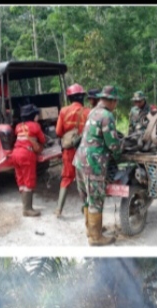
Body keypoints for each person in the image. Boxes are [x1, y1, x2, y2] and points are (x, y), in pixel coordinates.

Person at [73, 85, 122, 246]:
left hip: (80, 159)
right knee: (96, 198)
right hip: (93, 163)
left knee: (87, 197)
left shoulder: (93, 111)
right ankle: (95, 238)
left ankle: (91, 229)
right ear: (113, 101)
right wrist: (119, 154)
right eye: (116, 102)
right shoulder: (107, 115)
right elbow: (112, 143)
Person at [54, 83, 91, 217]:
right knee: (85, 179)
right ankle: (86, 208)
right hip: (84, 150)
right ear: (82, 97)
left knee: (66, 178)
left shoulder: (63, 111)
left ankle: (58, 209)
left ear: (69, 97)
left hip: (68, 150)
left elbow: (58, 132)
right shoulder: (88, 112)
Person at [12, 104, 46, 217]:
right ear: (34, 116)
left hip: (15, 153)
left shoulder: (18, 126)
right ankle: (27, 209)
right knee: (29, 180)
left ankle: (24, 205)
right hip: (26, 154)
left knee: (20, 180)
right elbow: (43, 139)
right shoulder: (35, 126)